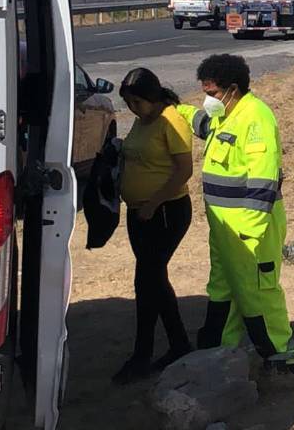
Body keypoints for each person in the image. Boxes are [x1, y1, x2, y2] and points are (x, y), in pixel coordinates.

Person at [176, 54, 294, 371]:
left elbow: (263, 180)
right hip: (223, 228)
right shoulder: (225, 115)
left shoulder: (255, 118)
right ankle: (220, 351)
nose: (208, 100)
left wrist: (249, 231)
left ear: (232, 89)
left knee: (258, 289)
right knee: (222, 288)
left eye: (212, 93)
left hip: (249, 228)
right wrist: (173, 106)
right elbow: (203, 124)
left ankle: (279, 354)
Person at [112, 67, 194, 384]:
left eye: (136, 102)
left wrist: (153, 202)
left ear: (151, 97)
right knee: (152, 280)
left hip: (165, 213)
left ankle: (142, 355)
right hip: (140, 213)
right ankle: (179, 344)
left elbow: (183, 171)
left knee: (147, 281)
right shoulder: (142, 120)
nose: (132, 109)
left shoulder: (171, 121)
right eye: (128, 103)